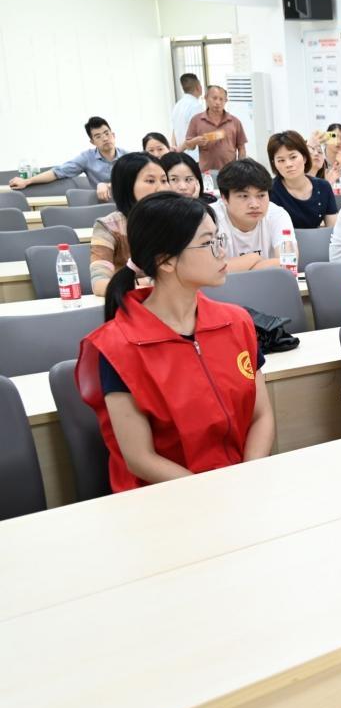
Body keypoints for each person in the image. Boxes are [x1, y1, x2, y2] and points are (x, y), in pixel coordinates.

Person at [75, 191, 275, 492]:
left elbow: (261, 415)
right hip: (166, 497)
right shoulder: (119, 347)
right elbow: (140, 458)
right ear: (165, 261)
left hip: (241, 485)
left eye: (219, 239)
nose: (222, 252)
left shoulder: (236, 322)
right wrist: (213, 493)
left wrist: (247, 477)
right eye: (208, 243)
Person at [89, 152, 170, 295]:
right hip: (131, 301)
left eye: (164, 180)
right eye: (150, 181)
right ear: (127, 185)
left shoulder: (176, 220)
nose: (161, 188)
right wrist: (146, 284)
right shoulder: (108, 226)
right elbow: (100, 284)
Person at [7, 116, 128, 201]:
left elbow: (132, 181)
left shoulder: (128, 157)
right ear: (92, 142)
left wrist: (106, 185)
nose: (105, 138)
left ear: (113, 135)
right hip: (103, 204)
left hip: (128, 203)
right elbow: (57, 172)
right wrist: (27, 181)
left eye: (107, 133)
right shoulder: (87, 158)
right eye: (98, 136)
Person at [209, 158, 296, 271]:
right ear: (224, 198)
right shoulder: (209, 218)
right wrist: (253, 258)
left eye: (261, 195)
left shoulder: (277, 215)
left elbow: (289, 264)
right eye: (244, 196)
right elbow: (207, 271)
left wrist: (233, 267)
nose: (255, 205)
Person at [267, 130, 339, 230]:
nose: (288, 164)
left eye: (293, 157)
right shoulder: (269, 191)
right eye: (281, 160)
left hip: (318, 240)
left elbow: (334, 230)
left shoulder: (323, 187)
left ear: (304, 157)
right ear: (274, 163)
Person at [185, 85, 247, 173]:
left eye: (221, 99)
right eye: (214, 98)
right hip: (206, 173)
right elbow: (189, 146)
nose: (218, 102)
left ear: (226, 101)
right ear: (206, 98)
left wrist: (241, 168)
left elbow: (241, 148)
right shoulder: (196, 120)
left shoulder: (234, 121)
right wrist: (196, 141)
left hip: (230, 172)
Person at [170, 72, 204, 160]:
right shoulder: (196, 106)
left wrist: (174, 148)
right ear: (198, 87)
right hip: (194, 156)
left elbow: (174, 130)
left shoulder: (178, 105)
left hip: (181, 155)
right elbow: (199, 132)